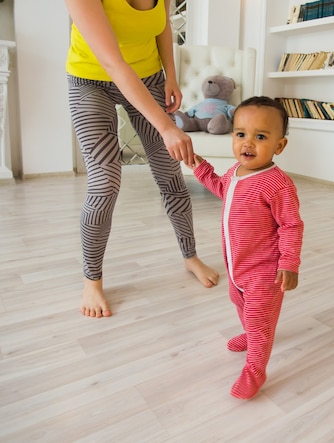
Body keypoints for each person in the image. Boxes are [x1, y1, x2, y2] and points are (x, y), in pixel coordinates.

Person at [65, 0, 219, 318]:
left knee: (170, 175)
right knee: (105, 182)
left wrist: (171, 76)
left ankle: (190, 256)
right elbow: (113, 63)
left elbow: (161, 28)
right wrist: (166, 127)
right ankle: (91, 280)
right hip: (90, 80)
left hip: (149, 76)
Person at [190, 96, 304, 399]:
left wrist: (289, 263)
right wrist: (200, 166)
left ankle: (256, 368)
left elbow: (291, 226)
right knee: (239, 304)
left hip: (265, 273)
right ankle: (253, 334)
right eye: (241, 134)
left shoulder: (278, 184)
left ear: (279, 146)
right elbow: (220, 187)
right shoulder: (235, 173)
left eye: (261, 137)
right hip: (237, 267)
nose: (248, 143)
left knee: (258, 317)